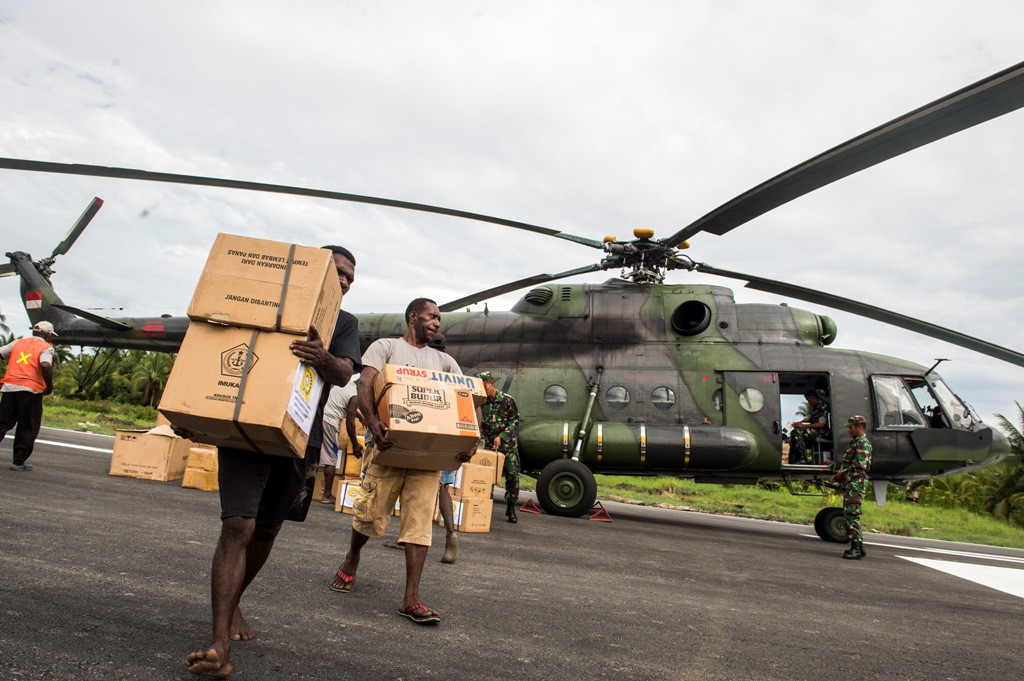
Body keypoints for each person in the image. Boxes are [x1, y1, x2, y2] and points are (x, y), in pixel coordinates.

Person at [185, 245, 361, 679]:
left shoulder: (343, 323)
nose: (344, 282)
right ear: (316, 268)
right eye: (339, 272)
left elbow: (343, 372)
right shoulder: (264, 299)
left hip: (300, 437)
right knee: (238, 525)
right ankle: (220, 645)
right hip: (246, 426)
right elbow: (209, 341)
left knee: (267, 529)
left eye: (350, 279)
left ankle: (233, 603)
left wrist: (322, 356)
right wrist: (191, 407)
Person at [329, 298, 474, 625]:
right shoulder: (386, 347)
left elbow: (466, 399)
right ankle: (352, 557)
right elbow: (365, 383)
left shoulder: (445, 362)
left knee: (420, 523)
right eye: (431, 316)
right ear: (413, 316)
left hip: (427, 457)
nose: (436, 322)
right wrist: (372, 422)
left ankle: (411, 597)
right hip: (387, 446)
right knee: (370, 512)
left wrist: (469, 442)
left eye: (439, 319)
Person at [382, 332, 459, 563]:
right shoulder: (451, 370)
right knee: (443, 489)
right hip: (447, 440)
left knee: (411, 492)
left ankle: (405, 538)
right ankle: (451, 533)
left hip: (422, 440)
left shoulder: (424, 371)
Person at [0, 321, 57, 471]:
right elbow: (45, 365)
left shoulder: (17, 343)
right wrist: (49, 386)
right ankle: (18, 462)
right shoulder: (46, 347)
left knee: (2, 423)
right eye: (51, 335)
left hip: (10, 388)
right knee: (27, 426)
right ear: (48, 335)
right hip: (31, 391)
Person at [478, 371, 521, 523]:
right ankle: (484, 508)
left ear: (492, 384)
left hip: (508, 447)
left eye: (485, 386)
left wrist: (502, 437)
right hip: (490, 447)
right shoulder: (481, 403)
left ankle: (511, 507)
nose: (483, 389)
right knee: (487, 478)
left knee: (512, 476)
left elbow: (515, 421)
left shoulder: (507, 400)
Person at [828, 415, 873, 560]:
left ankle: (855, 548)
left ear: (859, 427)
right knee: (852, 514)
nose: (849, 430)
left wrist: (839, 476)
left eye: (851, 428)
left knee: (851, 515)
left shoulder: (862, 443)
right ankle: (859, 545)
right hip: (852, 483)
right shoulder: (856, 442)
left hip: (856, 484)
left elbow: (859, 466)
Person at [318, 380, 362, 505]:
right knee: (331, 458)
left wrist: (360, 417)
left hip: (320, 418)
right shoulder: (355, 395)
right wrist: (355, 445)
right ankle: (327, 495)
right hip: (330, 423)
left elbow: (345, 405)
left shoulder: (344, 384)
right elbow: (350, 422)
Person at [788, 390, 830, 464]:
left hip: (823, 432)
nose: (809, 403)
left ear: (814, 398)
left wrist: (803, 426)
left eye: (809, 400)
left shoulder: (823, 407)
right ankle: (794, 459)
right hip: (817, 430)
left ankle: (802, 458)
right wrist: (799, 422)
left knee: (797, 432)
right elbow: (811, 418)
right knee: (794, 432)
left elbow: (821, 424)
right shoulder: (816, 407)